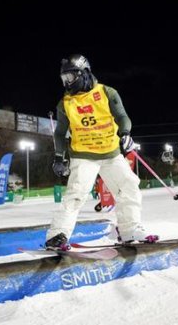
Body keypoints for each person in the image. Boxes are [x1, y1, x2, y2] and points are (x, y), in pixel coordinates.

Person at [45, 54, 157, 250]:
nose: (67, 83)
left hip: (111, 154)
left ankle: (129, 229)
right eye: (64, 79)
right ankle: (57, 236)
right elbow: (60, 132)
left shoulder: (106, 92)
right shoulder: (66, 103)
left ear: (83, 73)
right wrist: (58, 157)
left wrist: (125, 134)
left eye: (70, 77)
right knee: (76, 194)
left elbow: (122, 116)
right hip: (83, 156)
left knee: (129, 186)